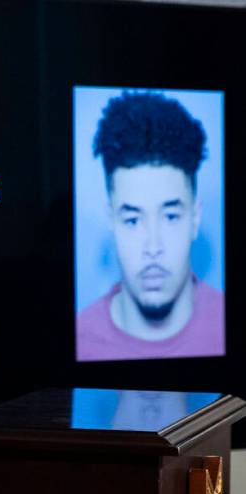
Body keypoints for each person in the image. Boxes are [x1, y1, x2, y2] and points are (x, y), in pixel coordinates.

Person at [76, 91, 224, 362]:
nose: (153, 247)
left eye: (170, 217)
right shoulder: (78, 339)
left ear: (195, 218)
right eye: (133, 220)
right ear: (112, 221)